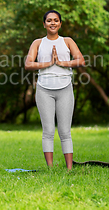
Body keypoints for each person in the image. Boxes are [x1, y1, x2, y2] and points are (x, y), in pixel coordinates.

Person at [25, 10, 85, 170]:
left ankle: (70, 168)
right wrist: (47, 64)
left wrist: (61, 63)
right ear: (44, 24)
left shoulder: (67, 41)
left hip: (65, 88)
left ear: (60, 24)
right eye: (49, 20)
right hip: (44, 90)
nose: (53, 23)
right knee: (48, 130)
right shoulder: (38, 43)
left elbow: (81, 60)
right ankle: (50, 168)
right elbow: (28, 64)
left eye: (56, 20)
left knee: (65, 131)